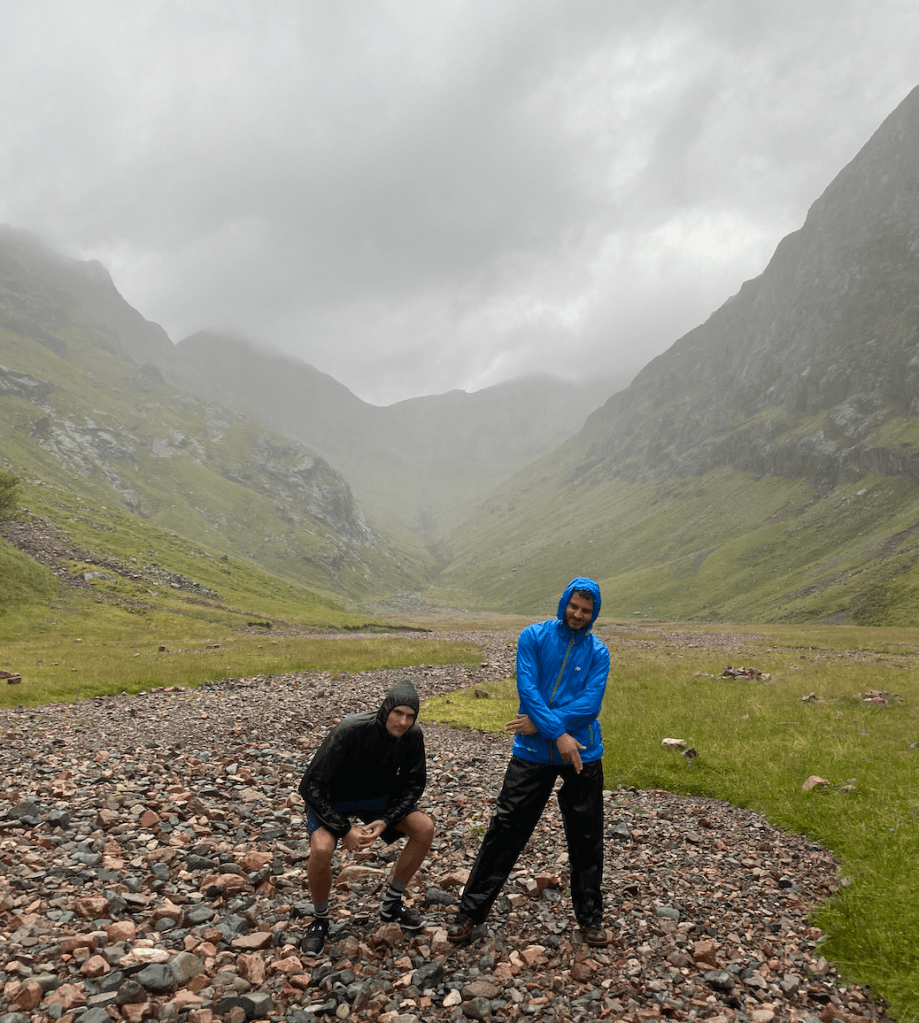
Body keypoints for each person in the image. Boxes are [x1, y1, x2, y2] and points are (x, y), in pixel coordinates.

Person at [447, 577, 611, 947]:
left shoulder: (599, 653)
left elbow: (591, 704)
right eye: (574, 606)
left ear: (594, 613)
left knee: (586, 837)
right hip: (533, 753)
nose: (578, 614)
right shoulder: (533, 637)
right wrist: (559, 734)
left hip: (583, 755)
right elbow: (527, 688)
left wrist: (542, 724)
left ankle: (590, 919)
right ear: (564, 602)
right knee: (505, 830)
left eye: (586, 610)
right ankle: (469, 913)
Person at [297, 678, 434, 954]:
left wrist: (386, 819)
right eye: (398, 713)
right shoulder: (350, 729)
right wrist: (344, 829)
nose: (403, 722)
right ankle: (320, 919)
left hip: (376, 797)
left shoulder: (412, 736)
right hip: (332, 798)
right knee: (322, 849)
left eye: (410, 716)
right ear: (386, 709)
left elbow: (414, 784)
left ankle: (391, 903)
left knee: (424, 828)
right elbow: (309, 785)